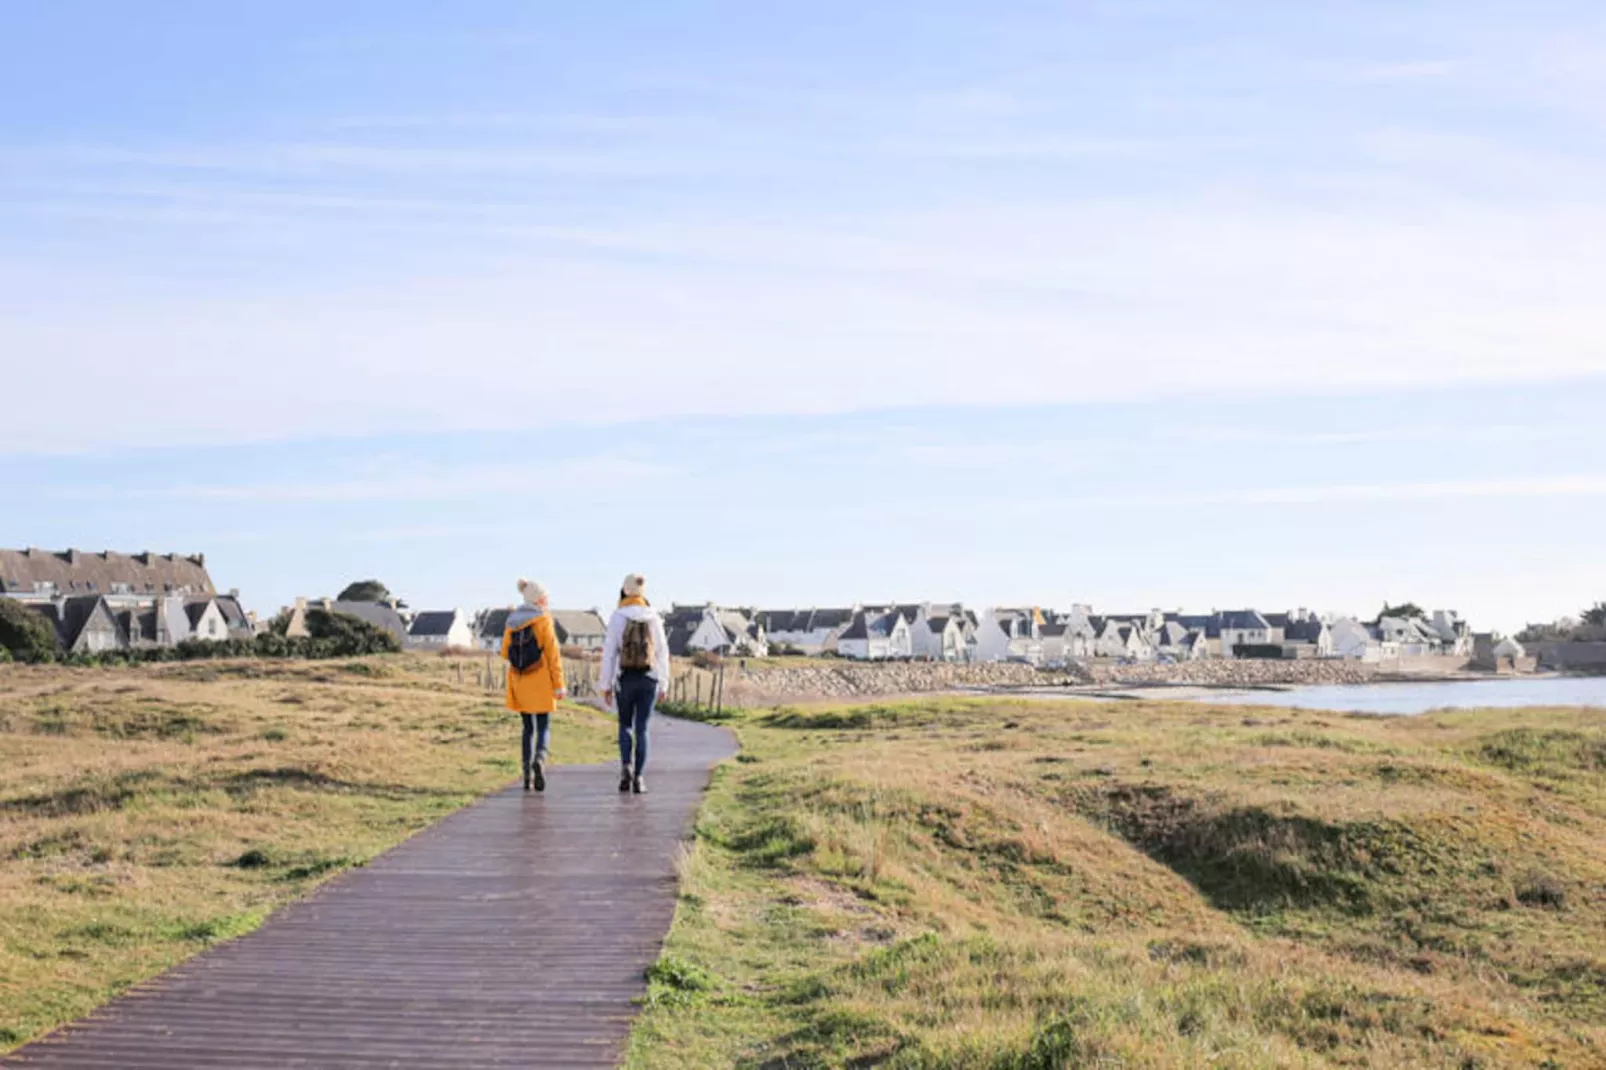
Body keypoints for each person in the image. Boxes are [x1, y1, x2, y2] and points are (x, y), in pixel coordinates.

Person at [599, 572, 670, 794]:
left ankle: (625, 768)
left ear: (625, 590)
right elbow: (661, 652)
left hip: (625, 678)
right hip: (649, 679)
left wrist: (606, 685)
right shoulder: (654, 617)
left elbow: (609, 653)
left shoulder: (618, 617)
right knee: (643, 728)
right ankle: (639, 778)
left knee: (625, 725)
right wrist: (664, 683)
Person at [501, 578, 565, 792]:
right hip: (542, 681)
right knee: (544, 725)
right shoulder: (544, 620)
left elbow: (504, 652)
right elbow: (553, 655)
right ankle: (540, 759)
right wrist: (559, 685)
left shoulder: (512, 622)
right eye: (545, 596)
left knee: (527, 728)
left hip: (520, 681)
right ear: (538, 599)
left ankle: (527, 775)